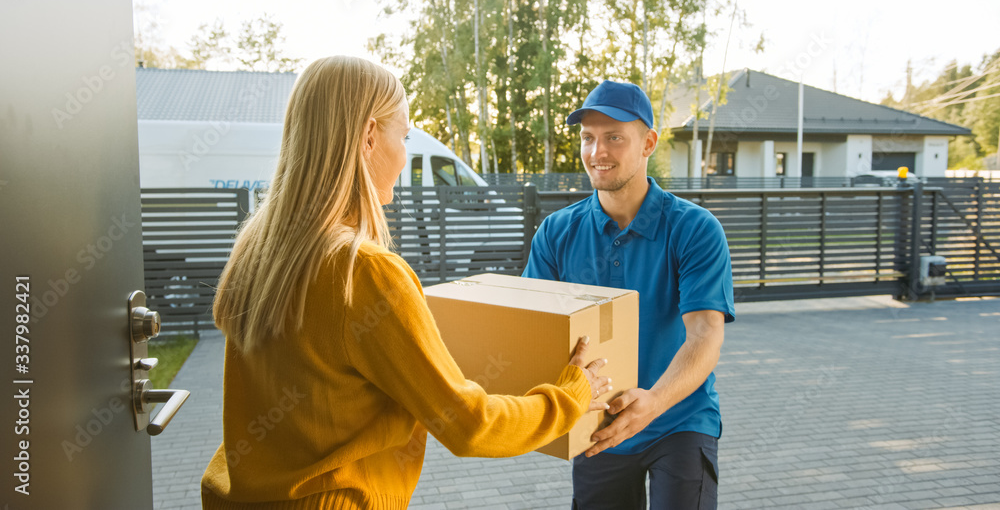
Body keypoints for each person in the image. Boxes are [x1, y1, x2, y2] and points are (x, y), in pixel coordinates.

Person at [200, 56, 612, 509]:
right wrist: (573, 394)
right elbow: (469, 425)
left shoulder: (257, 251)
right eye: (406, 135)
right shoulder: (365, 273)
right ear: (369, 137)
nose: (405, 154)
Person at [522, 80, 735, 509]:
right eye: (588, 138)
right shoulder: (557, 232)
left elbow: (705, 334)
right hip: (598, 423)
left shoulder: (694, 229)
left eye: (614, 137)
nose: (597, 151)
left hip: (679, 418)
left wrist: (654, 401)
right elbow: (532, 327)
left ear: (648, 143)